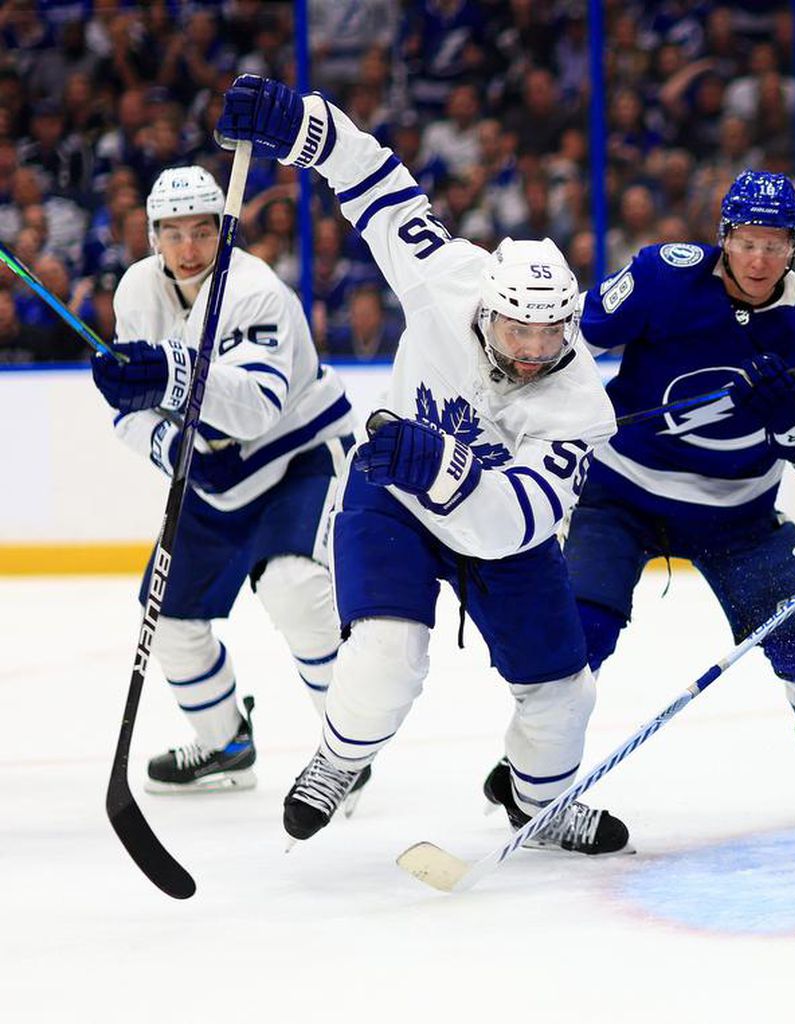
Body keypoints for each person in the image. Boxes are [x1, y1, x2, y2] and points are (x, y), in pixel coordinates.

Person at [215, 75, 630, 855]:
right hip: (392, 497)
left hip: (490, 529)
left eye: (550, 334)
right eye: (518, 331)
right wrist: (298, 123)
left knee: (563, 693)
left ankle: (539, 806)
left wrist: (442, 466)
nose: (535, 351)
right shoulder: (448, 278)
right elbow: (376, 182)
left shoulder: (578, 404)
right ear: (489, 308)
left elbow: (518, 521)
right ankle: (340, 759)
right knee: (386, 655)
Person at [487, 169, 795, 817]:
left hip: (737, 514)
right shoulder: (665, 277)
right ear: (724, 237)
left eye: (775, 244)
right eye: (748, 240)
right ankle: (533, 764)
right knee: (580, 629)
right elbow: (574, 337)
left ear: (794, 246)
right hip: (622, 493)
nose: (759, 258)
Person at [89, 166, 358, 796]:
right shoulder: (136, 291)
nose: (188, 250)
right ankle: (224, 743)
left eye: (203, 232)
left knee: (295, 589)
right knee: (170, 620)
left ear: (224, 232)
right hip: (213, 472)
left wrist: (170, 373)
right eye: (173, 234)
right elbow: (132, 414)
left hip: (297, 454)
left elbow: (259, 405)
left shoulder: (255, 291)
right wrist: (164, 435)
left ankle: (347, 749)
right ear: (152, 235)